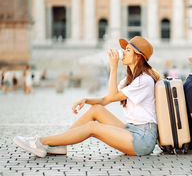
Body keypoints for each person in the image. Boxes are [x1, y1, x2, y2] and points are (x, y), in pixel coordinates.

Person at [13, 36, 160, 158]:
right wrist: (86, 100)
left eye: (128, 50)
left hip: (143, 139)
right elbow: (105, 100)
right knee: (96, 109)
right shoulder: (130, 80)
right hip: (132, 130)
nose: (123, 52)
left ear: (139, 56)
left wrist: (113, 67)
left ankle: (40, 142)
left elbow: (112, 95)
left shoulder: (144, 80)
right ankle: (60, 145)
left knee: (92, 128)